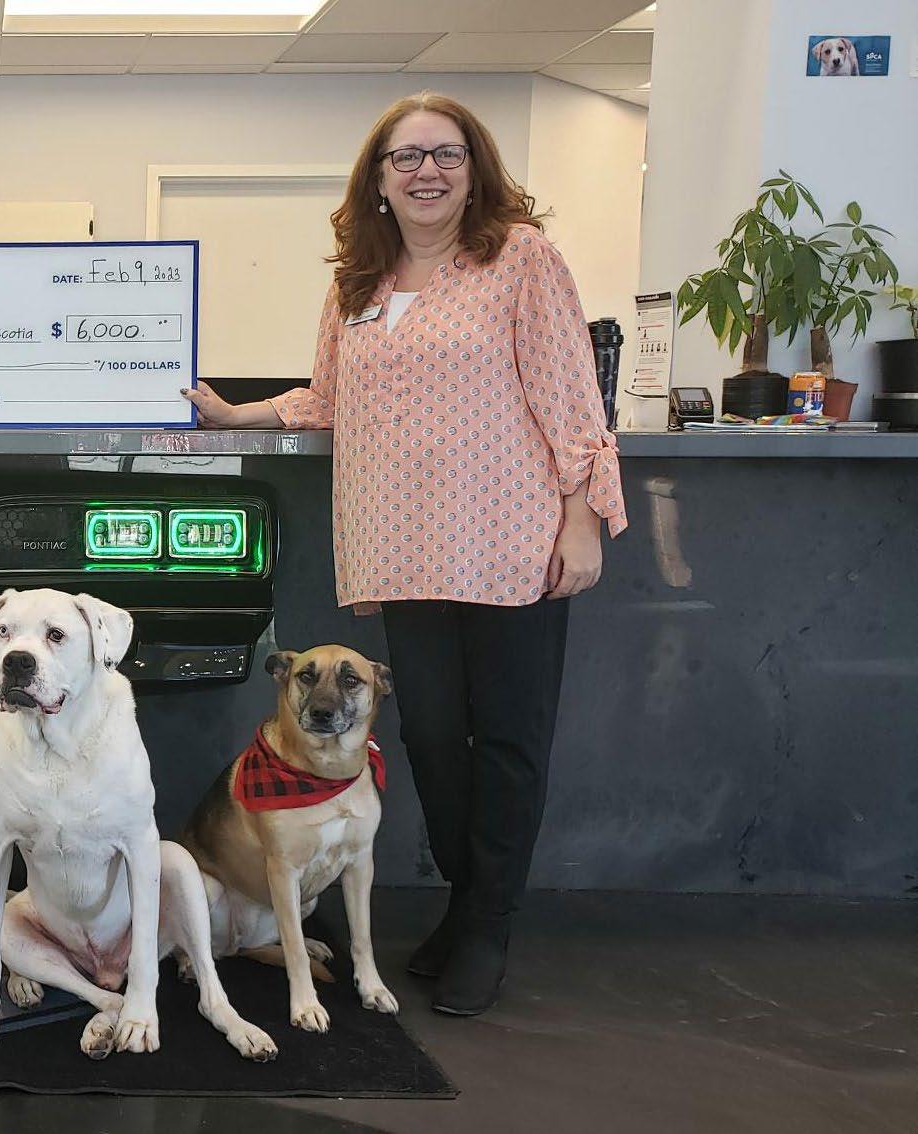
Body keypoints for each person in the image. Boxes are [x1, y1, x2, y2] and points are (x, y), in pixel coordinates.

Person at [183, 92, 627, 1016]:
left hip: (511, 543)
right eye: (407, 157)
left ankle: (488, 923)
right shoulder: (359, 285)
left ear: (476, 169)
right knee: (430, 739)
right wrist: (236, 414)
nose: (428, 172)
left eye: (447, 154)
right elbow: (325, 398)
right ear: (379, 179)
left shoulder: (522, 260)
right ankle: (468, 902)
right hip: (406, 549)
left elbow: (571, 398)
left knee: (507, 743)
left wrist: (582, 518)